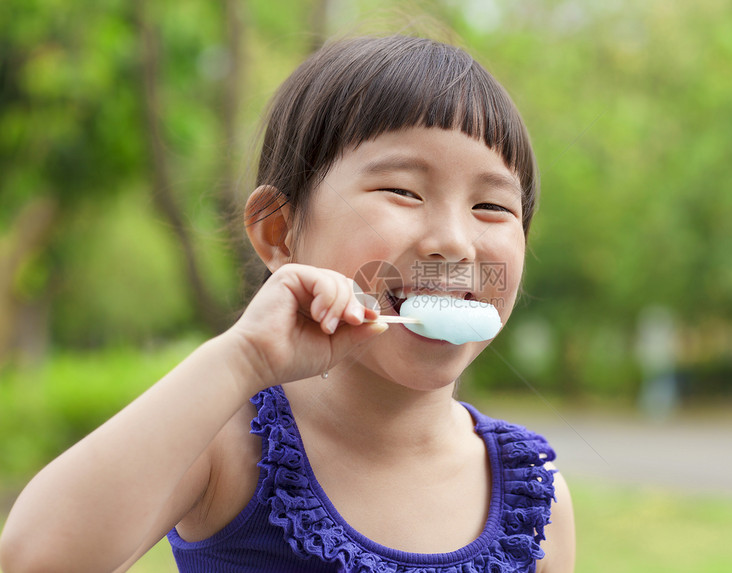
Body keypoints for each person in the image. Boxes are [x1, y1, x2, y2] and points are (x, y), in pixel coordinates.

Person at [0, 35, 575, 572]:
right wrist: (241, 359)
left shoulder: (535, 495)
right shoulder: (230, 444)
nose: (452, 241)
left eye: (492, 207)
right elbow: (31, 558)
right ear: (279, 233)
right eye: (402, 190)